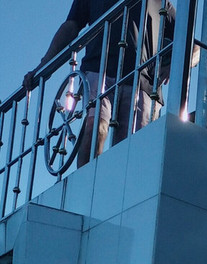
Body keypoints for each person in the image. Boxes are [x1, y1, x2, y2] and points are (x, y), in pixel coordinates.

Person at [23, 0, 177, 166]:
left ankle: (121, 189)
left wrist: (173, 64)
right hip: (99, 69)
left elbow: (190, 41)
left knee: (131, 149)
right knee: (94, 129)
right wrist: (44, 66)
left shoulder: (161, 2)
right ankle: (87, 185)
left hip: (143, 83)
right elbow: (70, 26)